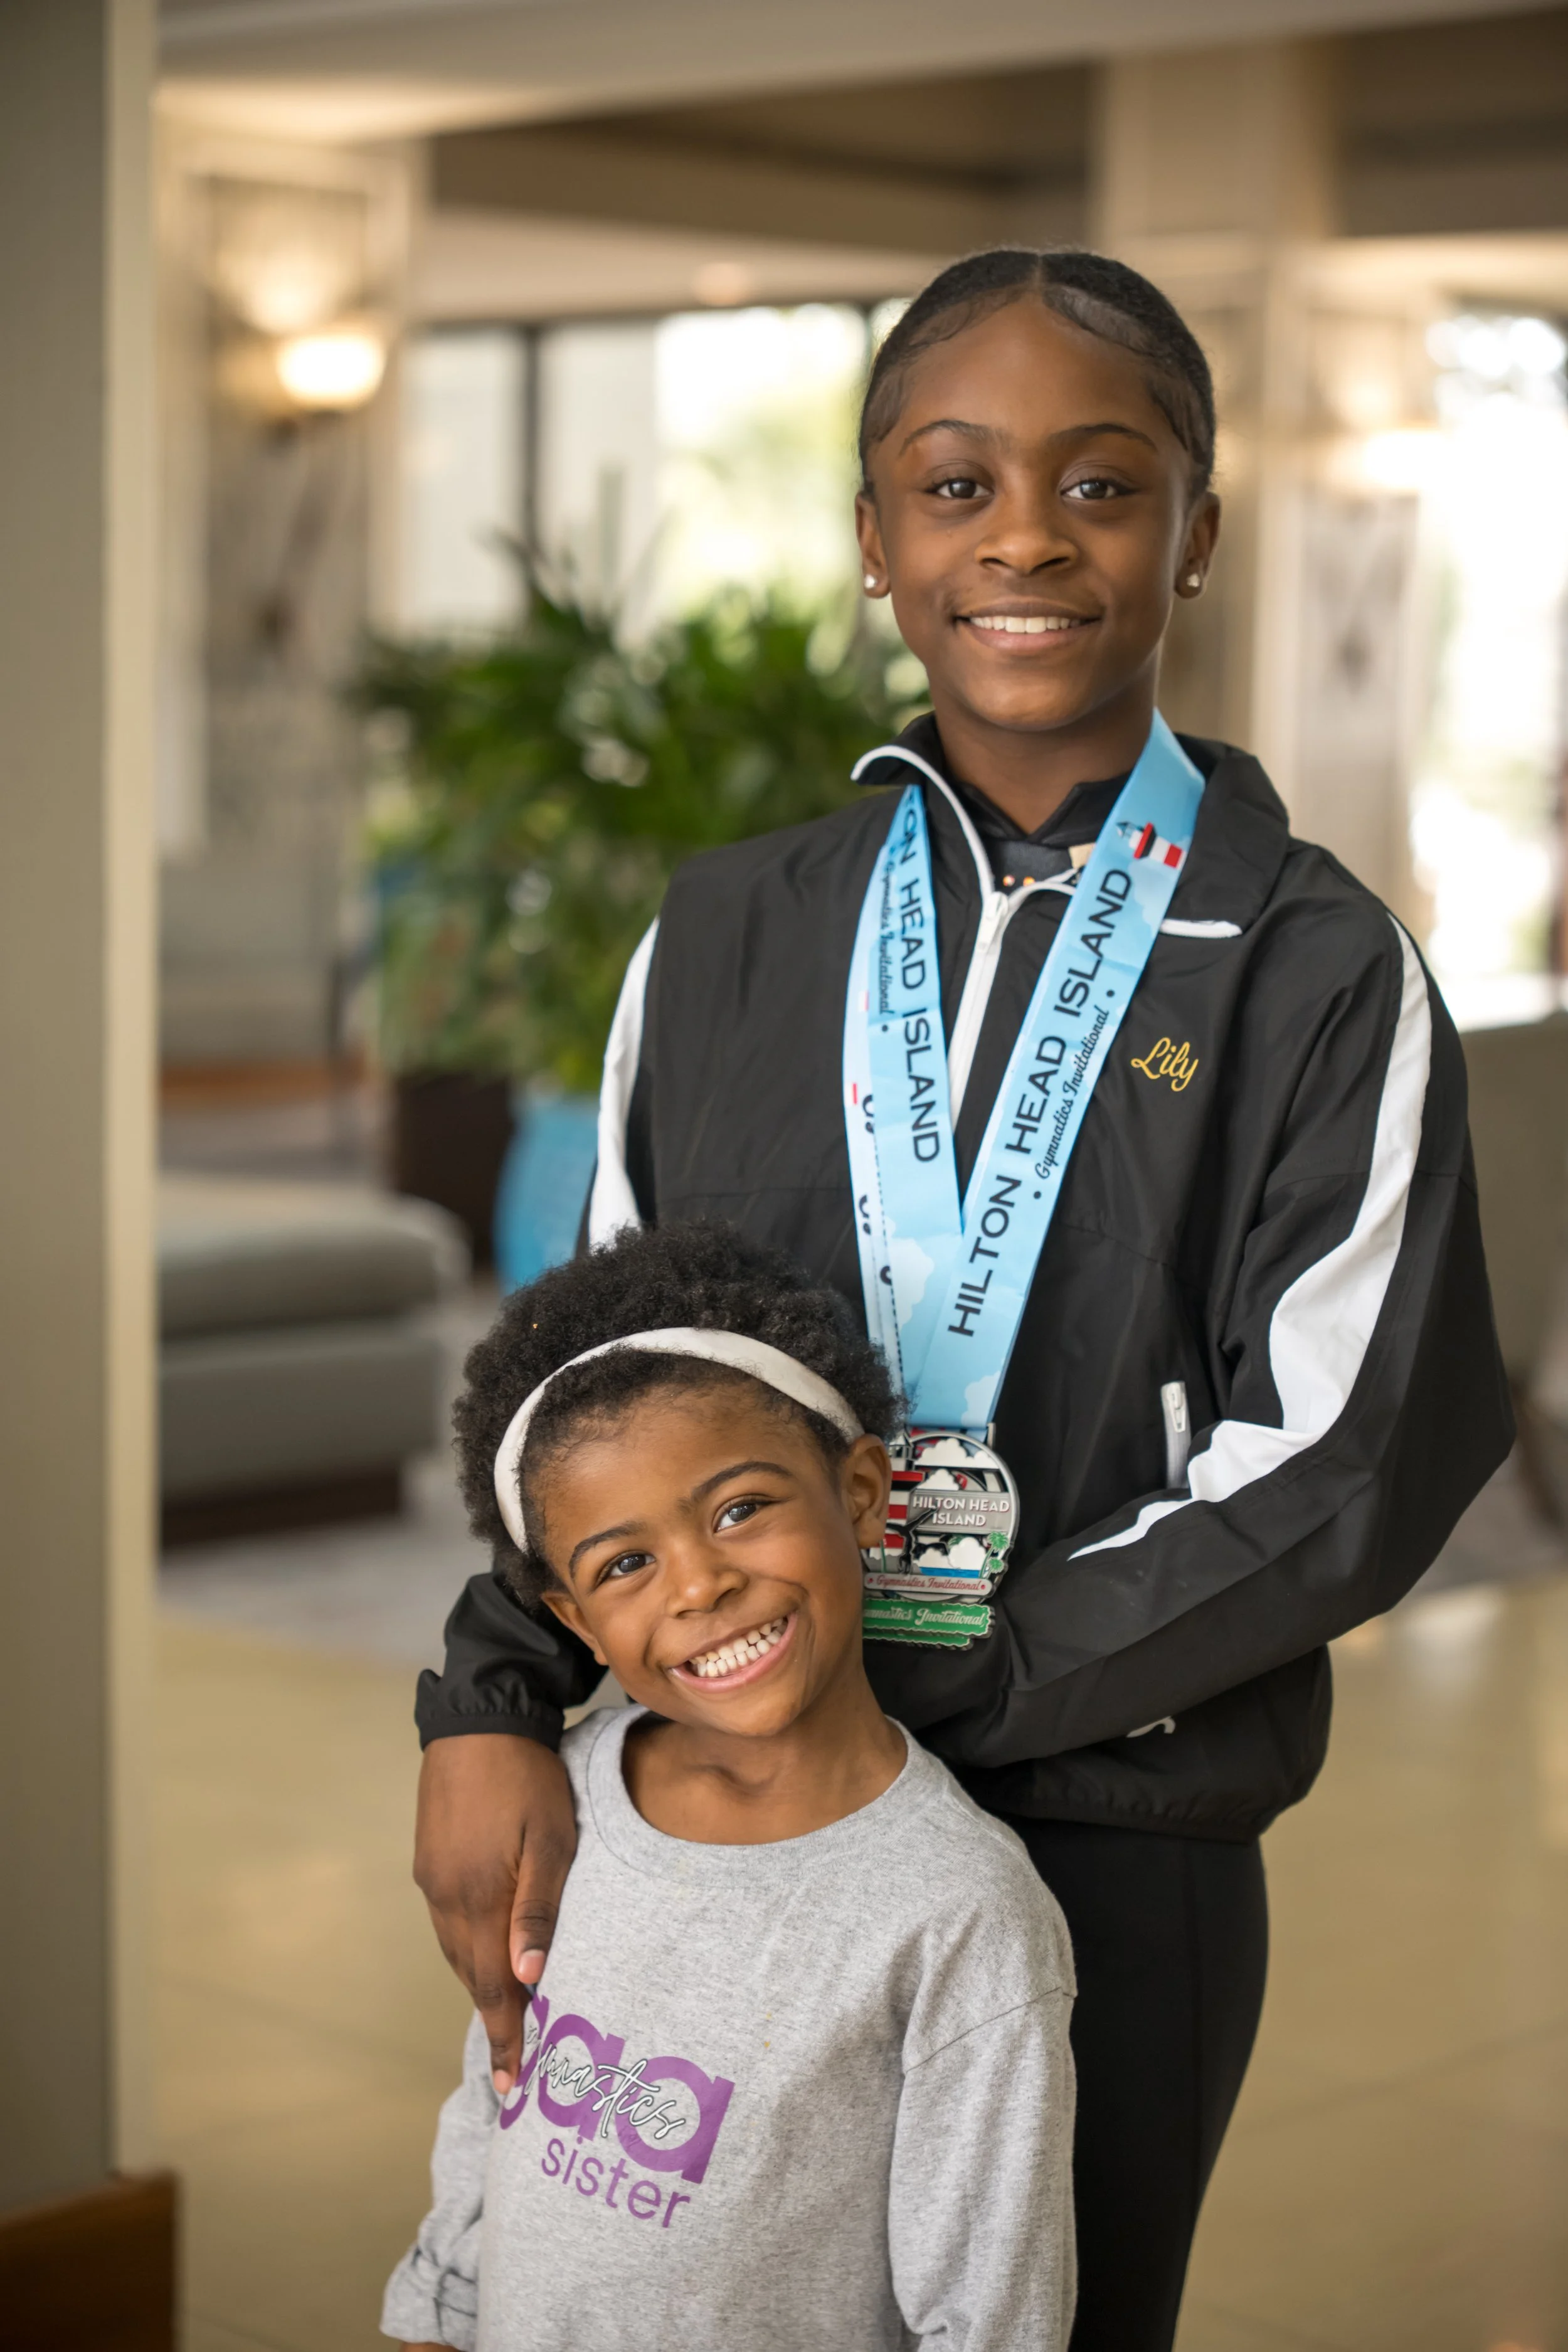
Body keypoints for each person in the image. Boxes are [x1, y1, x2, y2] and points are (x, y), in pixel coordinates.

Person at [410, 248, 1512, 2352]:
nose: (1024, 535)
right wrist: (488, 1695)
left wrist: (940, 1686)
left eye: (1102, 486)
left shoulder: (1310, 963)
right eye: (954, 482)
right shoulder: (728, 931)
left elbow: (1355, 1461)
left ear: (1197, 530)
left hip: (1113, 1830)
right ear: (873, 542)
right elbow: (586, 1373)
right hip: (709, 1801)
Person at [384, 1222, 1076, 2352]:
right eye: (624, 1563)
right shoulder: (565, 1803)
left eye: (740, 1507)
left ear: (861, 1490)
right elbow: (494, 2096)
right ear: (571, 1619)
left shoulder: (962, 1909)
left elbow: (992, 2308)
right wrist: (438, 2317)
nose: (701, 1582)